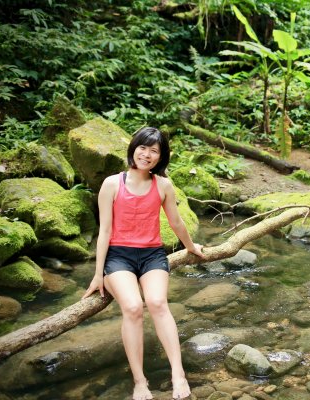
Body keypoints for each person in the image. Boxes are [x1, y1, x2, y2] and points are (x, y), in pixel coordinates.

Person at [83, 127, 205, 400]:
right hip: (118, 256)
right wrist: (96, 274)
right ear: (133, 148)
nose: (146, 154)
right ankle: (140, 381)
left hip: (152, 255)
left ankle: (178, 374)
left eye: (154, 151)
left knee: (158, 303)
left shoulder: (163, 185)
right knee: (133, 307)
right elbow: (104, 232)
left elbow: (176, 222)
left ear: (160, 157)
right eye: (143, 148)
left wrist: (191, 247)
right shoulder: (112, 184)